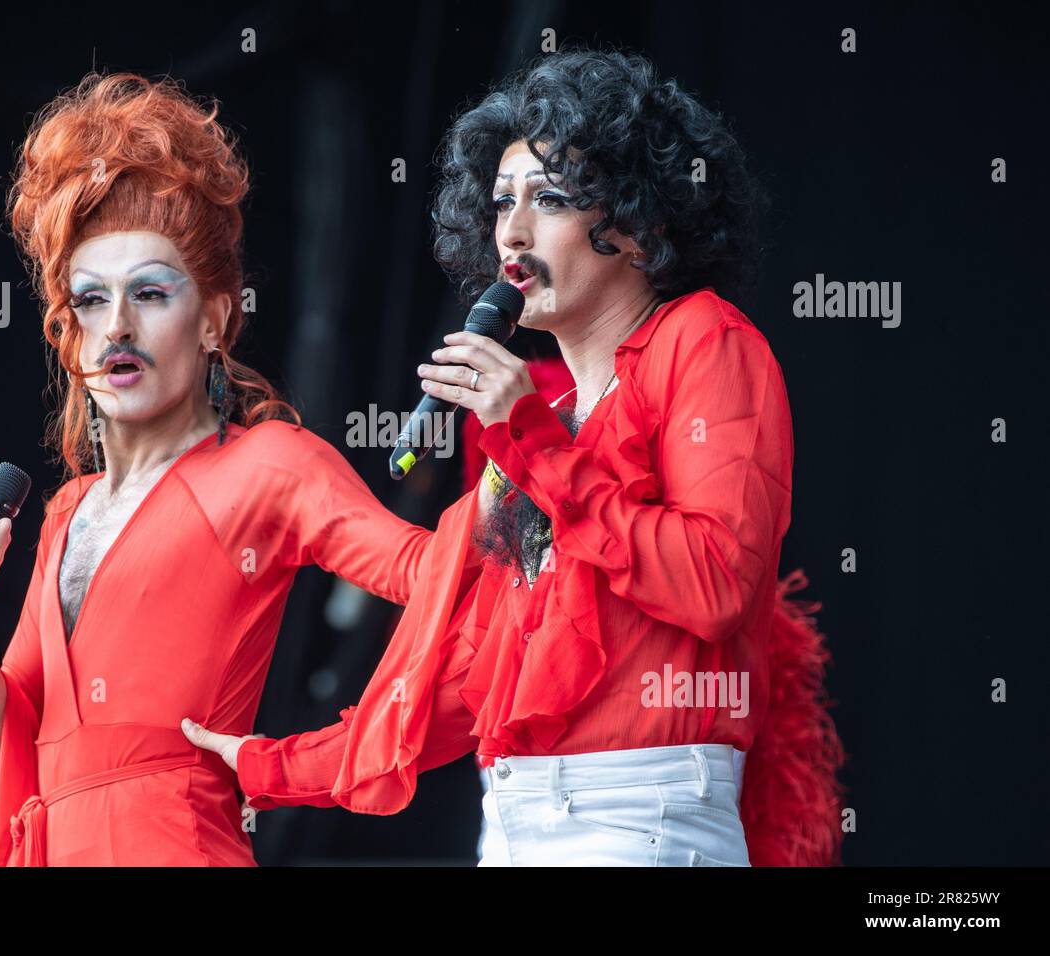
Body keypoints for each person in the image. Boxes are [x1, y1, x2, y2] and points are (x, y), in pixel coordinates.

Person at [184, 47, 846, 866]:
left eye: (551, 199)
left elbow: (714, 584)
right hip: (516, 822)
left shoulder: (704, 343)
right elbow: (472, 679)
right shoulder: (546, 424)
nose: (514, 231)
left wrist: (532, 439)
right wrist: (264, 764)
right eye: (501, 204)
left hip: (642, 820)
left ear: (640, 225)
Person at [0, 72, 466, 866]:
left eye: (149, 292)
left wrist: (321, 758)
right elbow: (1, 761)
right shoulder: (68, 510)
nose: (119, 328)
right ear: (68, 336)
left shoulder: (269, 463)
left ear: (213, 318)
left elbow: (439, 574)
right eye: (91, 302)